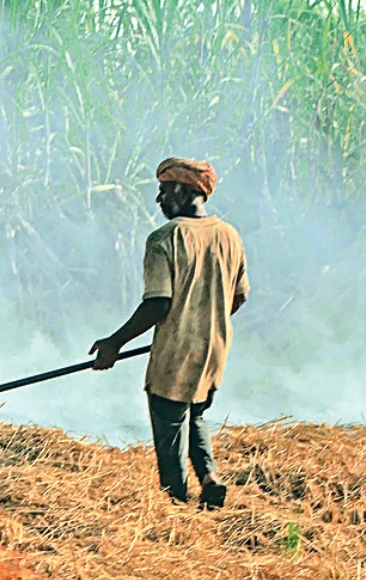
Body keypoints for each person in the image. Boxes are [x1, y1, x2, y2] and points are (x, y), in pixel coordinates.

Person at [91, 157, 249, 509]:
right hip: (214, 352)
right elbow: (238, 297)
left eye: (164, 190)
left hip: (176, 355)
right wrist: (206, 321)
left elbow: (157, 305)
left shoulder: (166, 239)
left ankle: (176, 502)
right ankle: (209, 477)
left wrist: (113, 344)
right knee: (195, 412)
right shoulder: (229, 236)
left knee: (168, 425)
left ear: (183, 190)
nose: (159, 199)